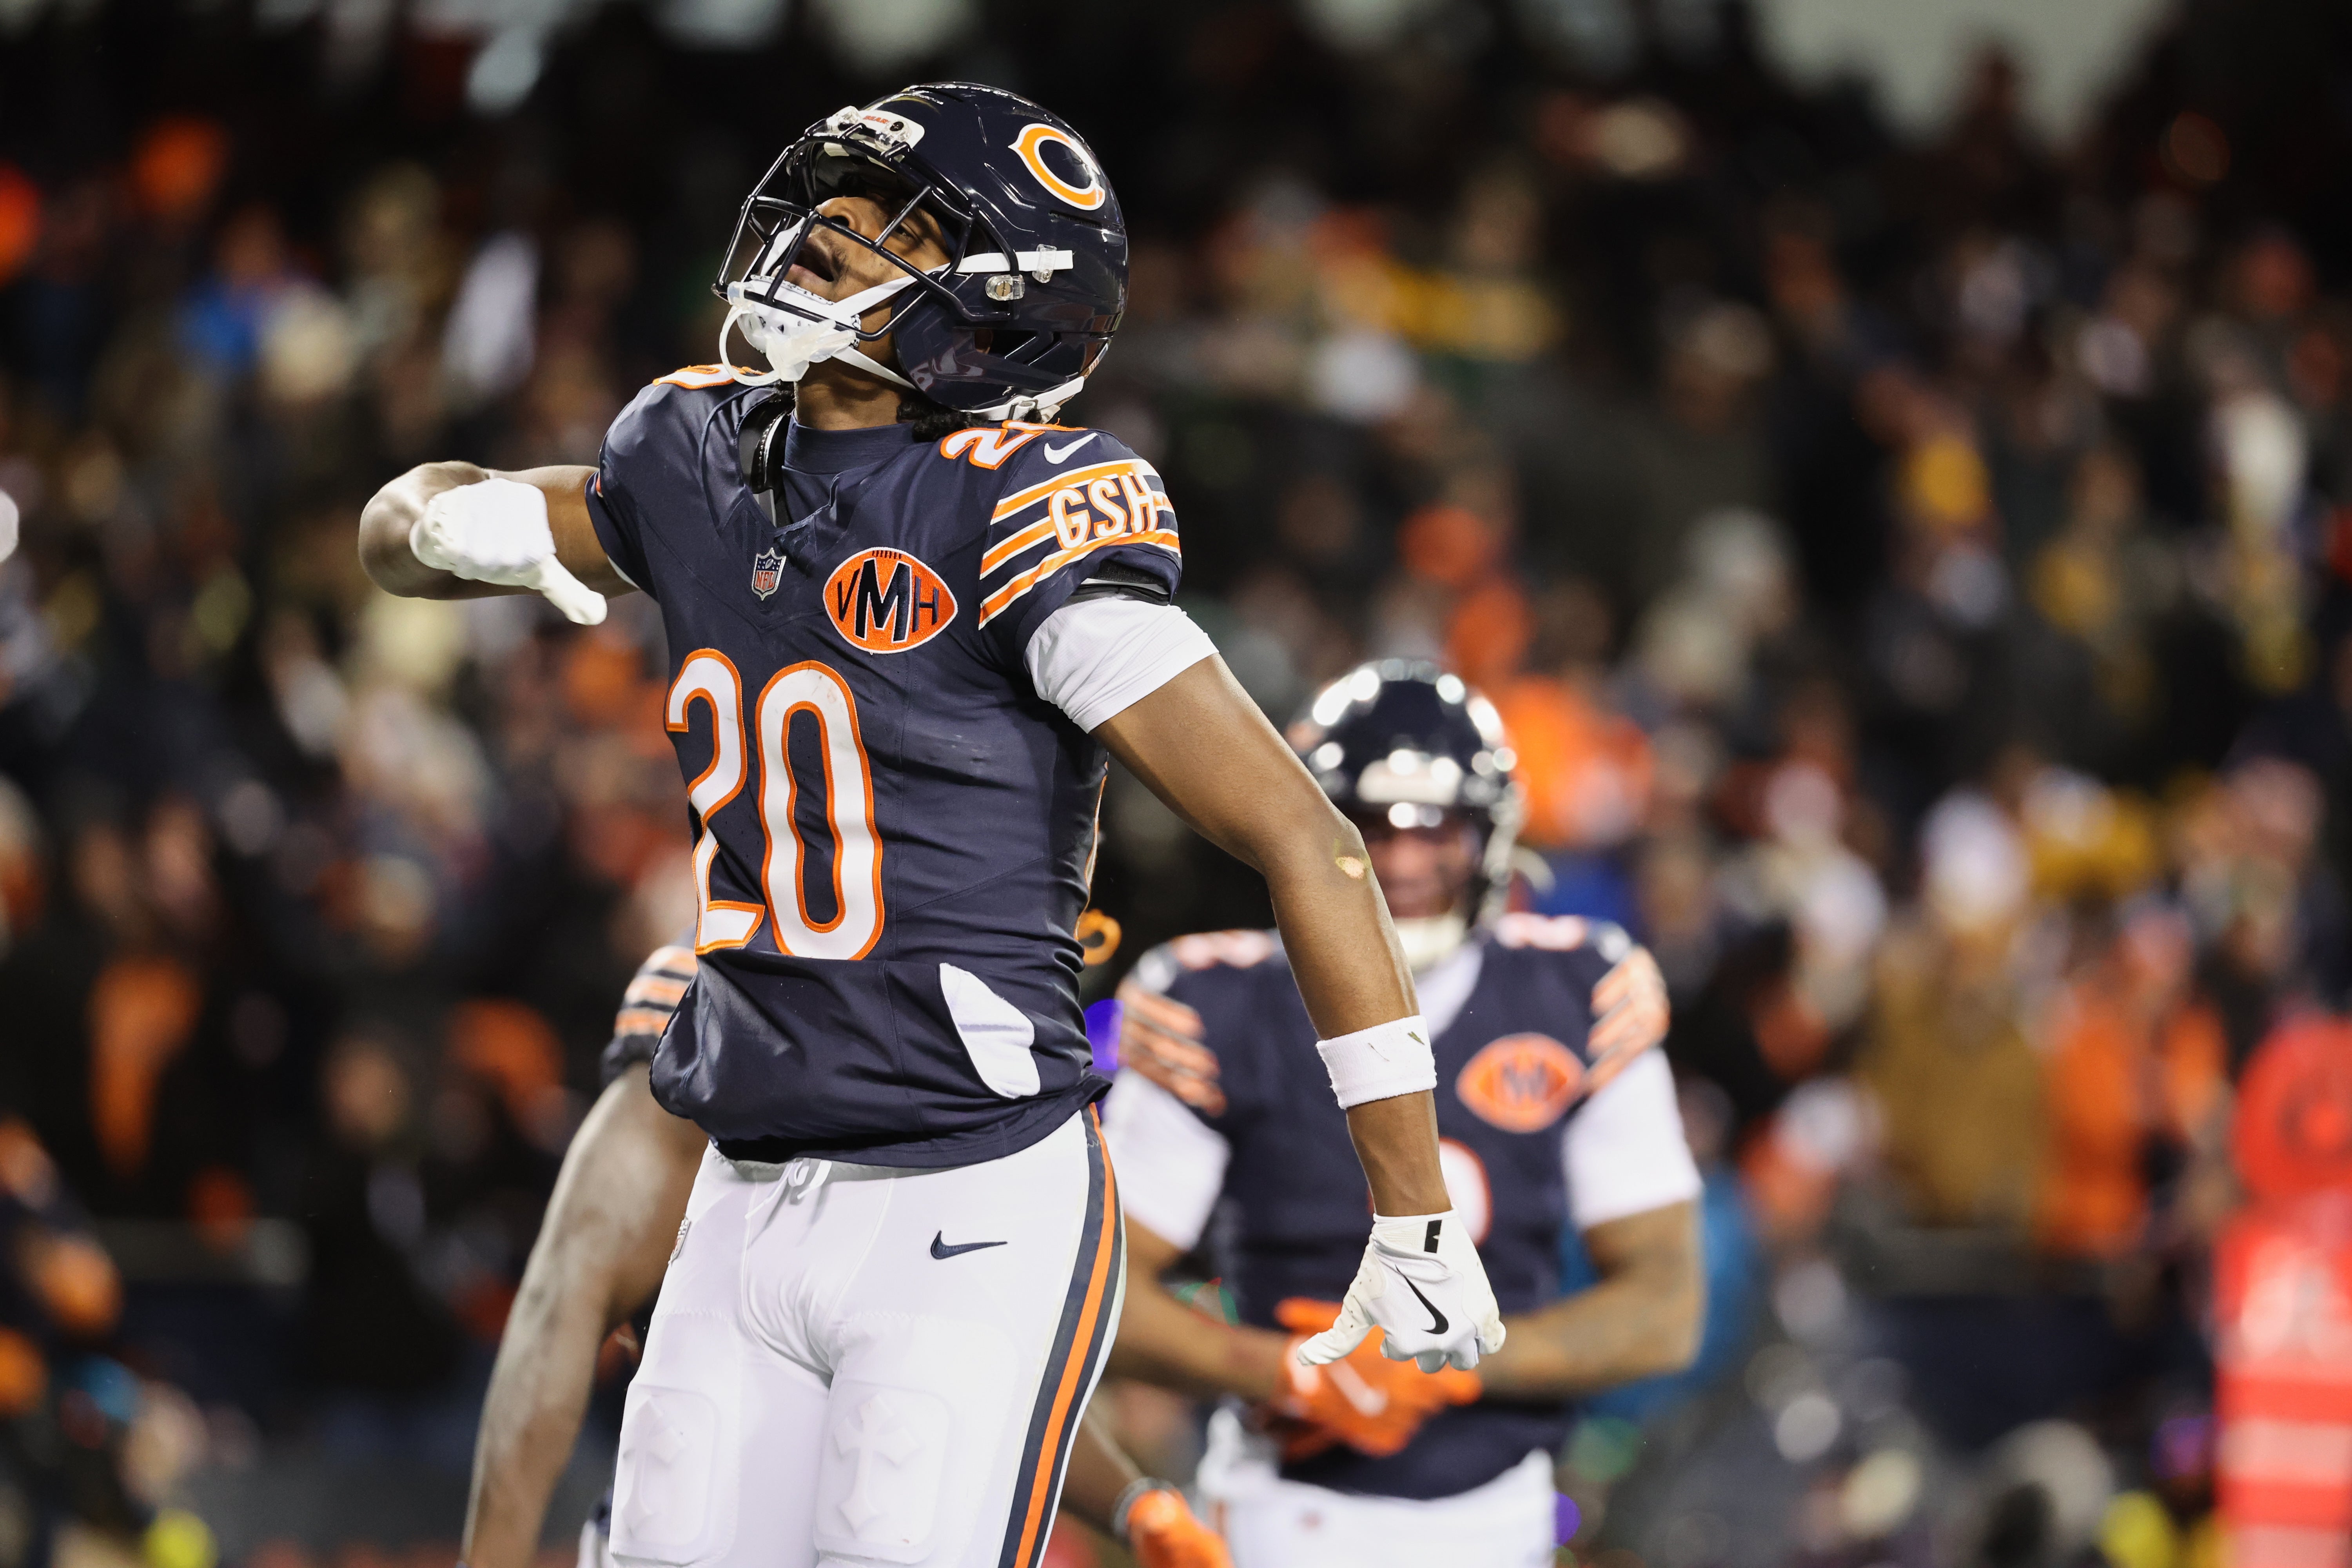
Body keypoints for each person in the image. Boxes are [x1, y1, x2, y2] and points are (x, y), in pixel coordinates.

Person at [360, 83, 1499, 1568]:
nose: (825, 232)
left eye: (892, 222)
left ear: (1002, 306)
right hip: (749, 1176)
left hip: (969, 1196)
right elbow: (400, 532)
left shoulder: (1024, 512)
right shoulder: (694, 454)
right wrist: (448, 520)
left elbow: (1310, 841)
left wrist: (1410, 1214)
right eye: (830, 198)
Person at [1102, 662, 1707, 1567]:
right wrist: (1288, 1370)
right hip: (1280, 1513)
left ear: (1491, 832)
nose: (1401, 859)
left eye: (1435, 826)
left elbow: (1666, 1308)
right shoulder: (1212, 1004)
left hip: (1503, 1510)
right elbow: (1099, 1295)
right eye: (1366, 825)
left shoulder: (1579, 990)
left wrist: (1441, 1363)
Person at [462, 941, 1233, 1568]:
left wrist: (1135, 1502)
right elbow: (562, 1297)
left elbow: (978, 1359)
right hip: (719, 1503)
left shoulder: (1000, 1056)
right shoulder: (745, 996)